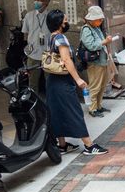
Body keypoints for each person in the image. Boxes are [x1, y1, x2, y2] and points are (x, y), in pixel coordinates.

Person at [44, 9, 108, 156]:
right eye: (65, 21)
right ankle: (89, 146)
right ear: (59, 24)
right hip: (63, 82)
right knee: (75, 112)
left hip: (52, 81)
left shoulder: (51, 37)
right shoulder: (61, 39)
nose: (67, 23)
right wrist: (78, 79)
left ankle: (62, 145)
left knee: (57, 113)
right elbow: (66, 60)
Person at [80, 6, 113, 118]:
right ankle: (93, 108)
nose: (101, 21)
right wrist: (105, 41)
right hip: (94, 62)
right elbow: (91, 45)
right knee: (95, 86)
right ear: (92, 19)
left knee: (102, 85)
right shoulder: (86, 29)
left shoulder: (96, 28)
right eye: (99, 19)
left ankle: (99, 106)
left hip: (102, 60)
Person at [22, 0, 52, 94]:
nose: (36, 2)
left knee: (50, 81)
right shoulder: (29, 16)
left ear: (46, 3)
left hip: (48, 54)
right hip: (33, 54)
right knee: (32, 82)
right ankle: (33, 103)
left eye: (39, 0)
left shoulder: (51, 16)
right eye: (35, 0)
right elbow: (25, 33)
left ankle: (51, 103)